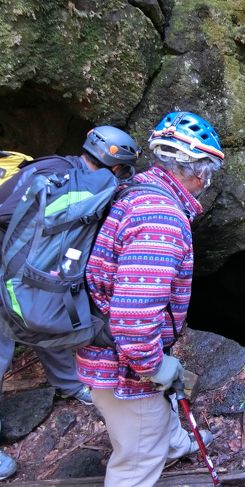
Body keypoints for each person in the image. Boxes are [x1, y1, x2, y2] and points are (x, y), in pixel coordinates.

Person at [75, 111, 224, 487]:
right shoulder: (160, 217)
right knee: (137, 461)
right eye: (208, 172)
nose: (207, 182)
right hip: (121, 365)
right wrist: (153, 366)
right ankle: (155, 450)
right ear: (197, 172)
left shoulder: (137, 189)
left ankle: (173, 443)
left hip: (108, 346)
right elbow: (133, 318)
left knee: (160, 405)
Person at [0, 127, 141, 480]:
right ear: (116, 167)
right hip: (9, 269)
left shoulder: (51, 170)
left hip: (24, 268)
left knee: (46, 314)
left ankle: (68, 383)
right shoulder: (73, 184)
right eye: (125, 170)